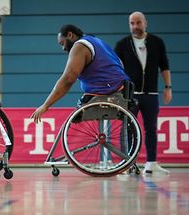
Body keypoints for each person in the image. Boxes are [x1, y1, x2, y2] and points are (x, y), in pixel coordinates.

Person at [31, 24, 130, 123]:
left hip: (107, 88)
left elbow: (68, 80)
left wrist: (45, 105)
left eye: (62, 43)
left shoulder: (80, 46)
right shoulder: (96, 40)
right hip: (121, 87)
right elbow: (120, 63)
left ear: (70, 35)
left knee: (75, 115)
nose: (63, 48)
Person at [115, 11, 172, 175]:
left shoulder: (156, 42)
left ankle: (151, 163)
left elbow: (165, 66)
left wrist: (168, 88)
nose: (135, 26)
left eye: (138, 23)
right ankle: (126, 163)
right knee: (127, 128)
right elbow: (116, 68)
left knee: (151, 129)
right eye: (132, 23)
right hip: (129, 95)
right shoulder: (122, 44)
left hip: (151, 94)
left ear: (145, 23)